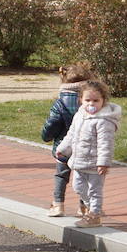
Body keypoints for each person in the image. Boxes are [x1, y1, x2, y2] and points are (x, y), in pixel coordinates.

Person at [55, 80, 120, 228]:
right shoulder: (80, 115)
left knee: (94, 190)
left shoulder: (104, 121)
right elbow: (72, 134)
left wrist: (103, 162)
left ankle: (94, 216)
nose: (91, 104)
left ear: (103, 101)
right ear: (81, 100)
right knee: (78, 187)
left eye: (96, 101)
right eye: (88, 100)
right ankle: (93, 208)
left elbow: (106, 143)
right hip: (79, 161)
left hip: (94, 164)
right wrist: (63, 149)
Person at [41, 62, 94, 217]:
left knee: (61, 175)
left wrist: (46, 136)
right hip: (86, 148)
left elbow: (52, 123)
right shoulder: (91, 101)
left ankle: (58, 205)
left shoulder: (60, 103)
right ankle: (83, 207)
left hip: (64, 147)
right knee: (85, 178)